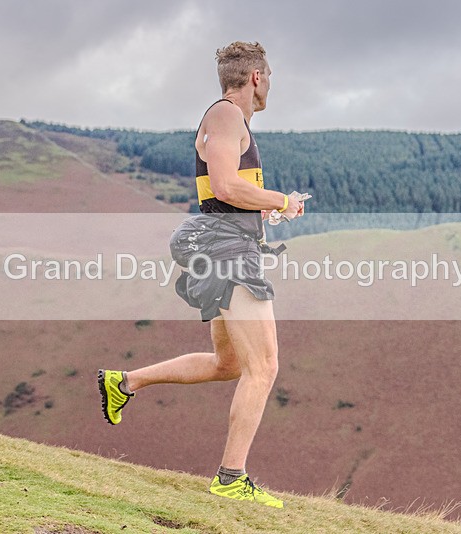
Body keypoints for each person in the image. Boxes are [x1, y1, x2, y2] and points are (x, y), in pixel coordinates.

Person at [98, 41, 304, 509]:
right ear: (255, 77)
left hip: (228, 242)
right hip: (227, 250)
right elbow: (228, 183)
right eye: (268, 76)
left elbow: (225, 194)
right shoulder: (228, 115)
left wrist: (269, 212)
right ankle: (231, 477)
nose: (270, 84)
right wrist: (279, 201)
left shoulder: (229, 120)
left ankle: (123, 383)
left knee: (229, 365)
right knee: (264, 366)